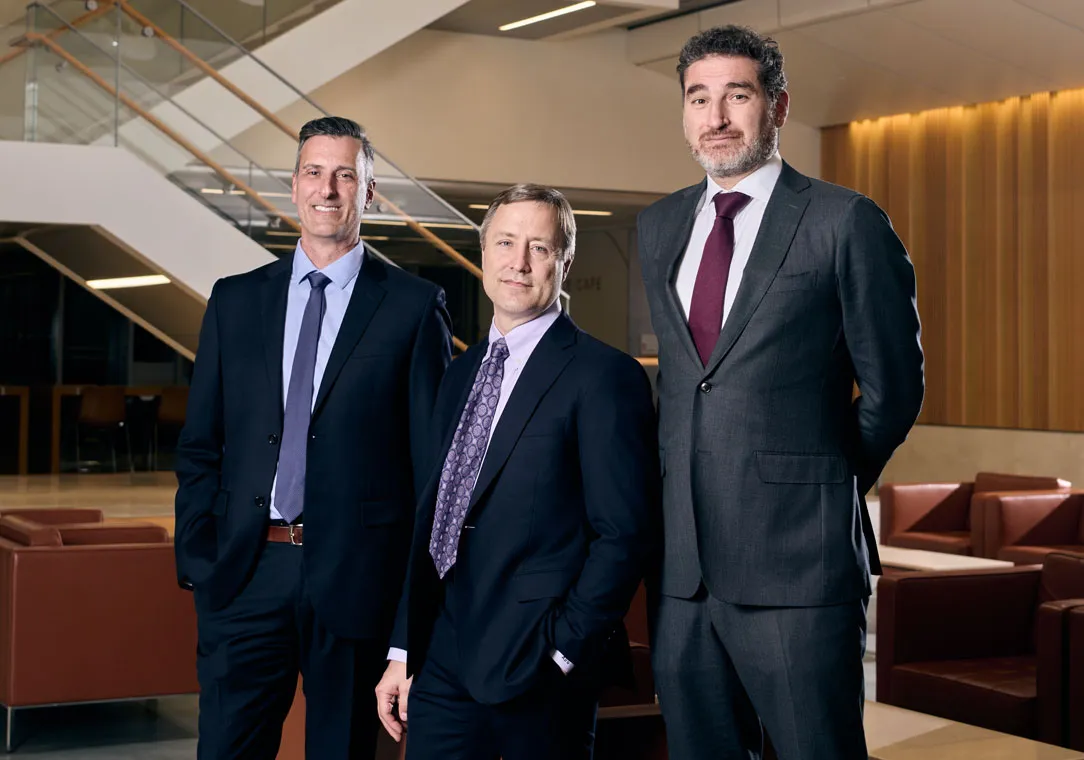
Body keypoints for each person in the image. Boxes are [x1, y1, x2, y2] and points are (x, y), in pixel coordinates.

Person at [636, 25, 925, 760]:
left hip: (800, 568)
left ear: (778, 106)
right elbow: (686, 384)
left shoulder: (843, 221)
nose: (717, 117)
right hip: (683, 572)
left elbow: (895, 389)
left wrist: (824, 482)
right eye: (699, 98)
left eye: (737, 95)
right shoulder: (660, 225)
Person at [174, 115, 452, 760]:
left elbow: (429, 476)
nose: (329, 189)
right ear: (293, 188)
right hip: (245, 571)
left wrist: (409, 621)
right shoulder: (235, 301)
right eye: (314, 173)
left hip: (357, 579)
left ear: (370, 192)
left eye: (346, 175)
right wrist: (200, 560)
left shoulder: (414, 308)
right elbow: (200, 444)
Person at [374, 184, 659, 760]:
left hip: (537, 664)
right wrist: (404, 651)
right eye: (505, 242)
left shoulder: (604, 377)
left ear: (564, 262)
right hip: (442, 659)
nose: (519, 262)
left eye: (539, 247)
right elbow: (435, 518)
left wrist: (563, 651)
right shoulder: (459, 375)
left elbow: (624, 533)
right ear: (483, 255)